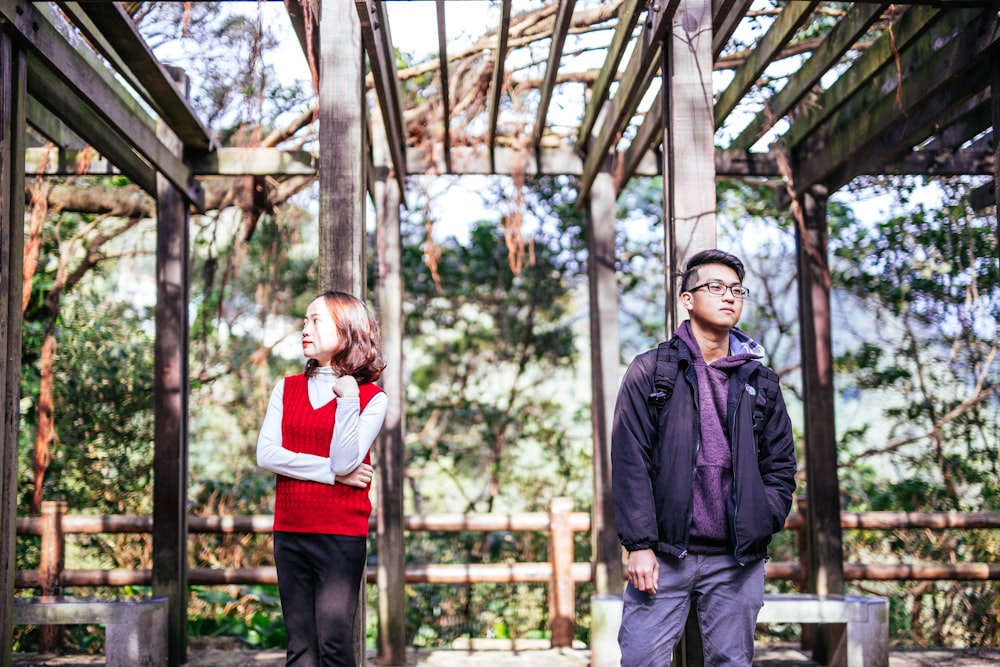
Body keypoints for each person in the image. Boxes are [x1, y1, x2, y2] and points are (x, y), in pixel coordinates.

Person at [611, 249, 797, 666]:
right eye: (715, 287)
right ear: (688, 299)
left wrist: (762, 519)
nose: (728, 296)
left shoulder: (761, 381)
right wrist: (639, 544)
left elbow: (781, 465)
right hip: (663, 555)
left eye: (736, 289)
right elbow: (630, 461)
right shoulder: (651, 371)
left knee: (731, 663)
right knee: (641, 659)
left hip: (736, 560)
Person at [257, 290, 388, 666]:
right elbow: (267, 455)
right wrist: (333, 477)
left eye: (316, 320)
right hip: (290, 530)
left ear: (346, 331)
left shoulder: (371, 398)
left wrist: (347, 399)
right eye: (304, 320)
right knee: (299, 648)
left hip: (339, 536)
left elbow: (347, 460)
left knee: (333, 646)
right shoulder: (287, 388)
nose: (305, 328)